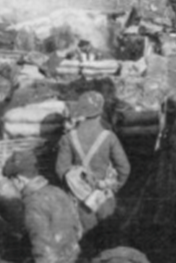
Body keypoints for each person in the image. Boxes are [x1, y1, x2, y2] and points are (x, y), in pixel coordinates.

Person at [55, 91, 130, 236]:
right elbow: (124, 168)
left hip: (79, 202)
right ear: (101, 111)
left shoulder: (68, 138)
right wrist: (111, 185)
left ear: (81, 111)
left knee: (85, 242)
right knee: (108, 237)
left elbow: (61, 170)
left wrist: (77, 187)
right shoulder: (109, 137)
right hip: (104, 198)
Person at [2, 149, 82, 263]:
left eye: (12, 182)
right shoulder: (57, 191)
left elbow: (43, 251)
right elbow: (78, 230)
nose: (13, 187)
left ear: (19, 180)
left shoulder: (33, 204)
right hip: (75, 257)